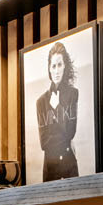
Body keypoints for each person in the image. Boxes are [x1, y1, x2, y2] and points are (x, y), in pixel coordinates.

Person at [34, 42, 80, 180]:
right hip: (50, 169)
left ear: (65, 65)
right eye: (53, 66)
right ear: (49, 68)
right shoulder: (41, 102)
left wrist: (57, 107)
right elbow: (44, 143)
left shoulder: (73, 93)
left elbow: (71, 132)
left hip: (69, 166)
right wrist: (66, 140)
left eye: (60, 65)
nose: (56, 70)